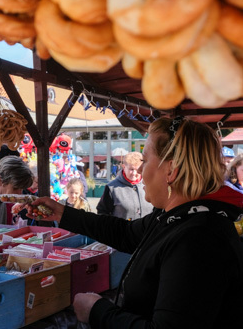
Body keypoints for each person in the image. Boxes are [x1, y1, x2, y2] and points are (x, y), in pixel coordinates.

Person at [23, 117, 243, 328]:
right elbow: (126, 233)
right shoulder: (176, 216)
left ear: (171, 170)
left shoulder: (199, 238)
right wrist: (63, 213)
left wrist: (97, 311)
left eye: (145, 160)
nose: (139, 170)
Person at [96, 152, 154, 220]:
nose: (134, 173)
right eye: (131, 169)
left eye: (137, 169)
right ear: (124, 167)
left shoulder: (150, 184)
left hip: (147, 230)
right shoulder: (112, 188)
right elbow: (102, 213)